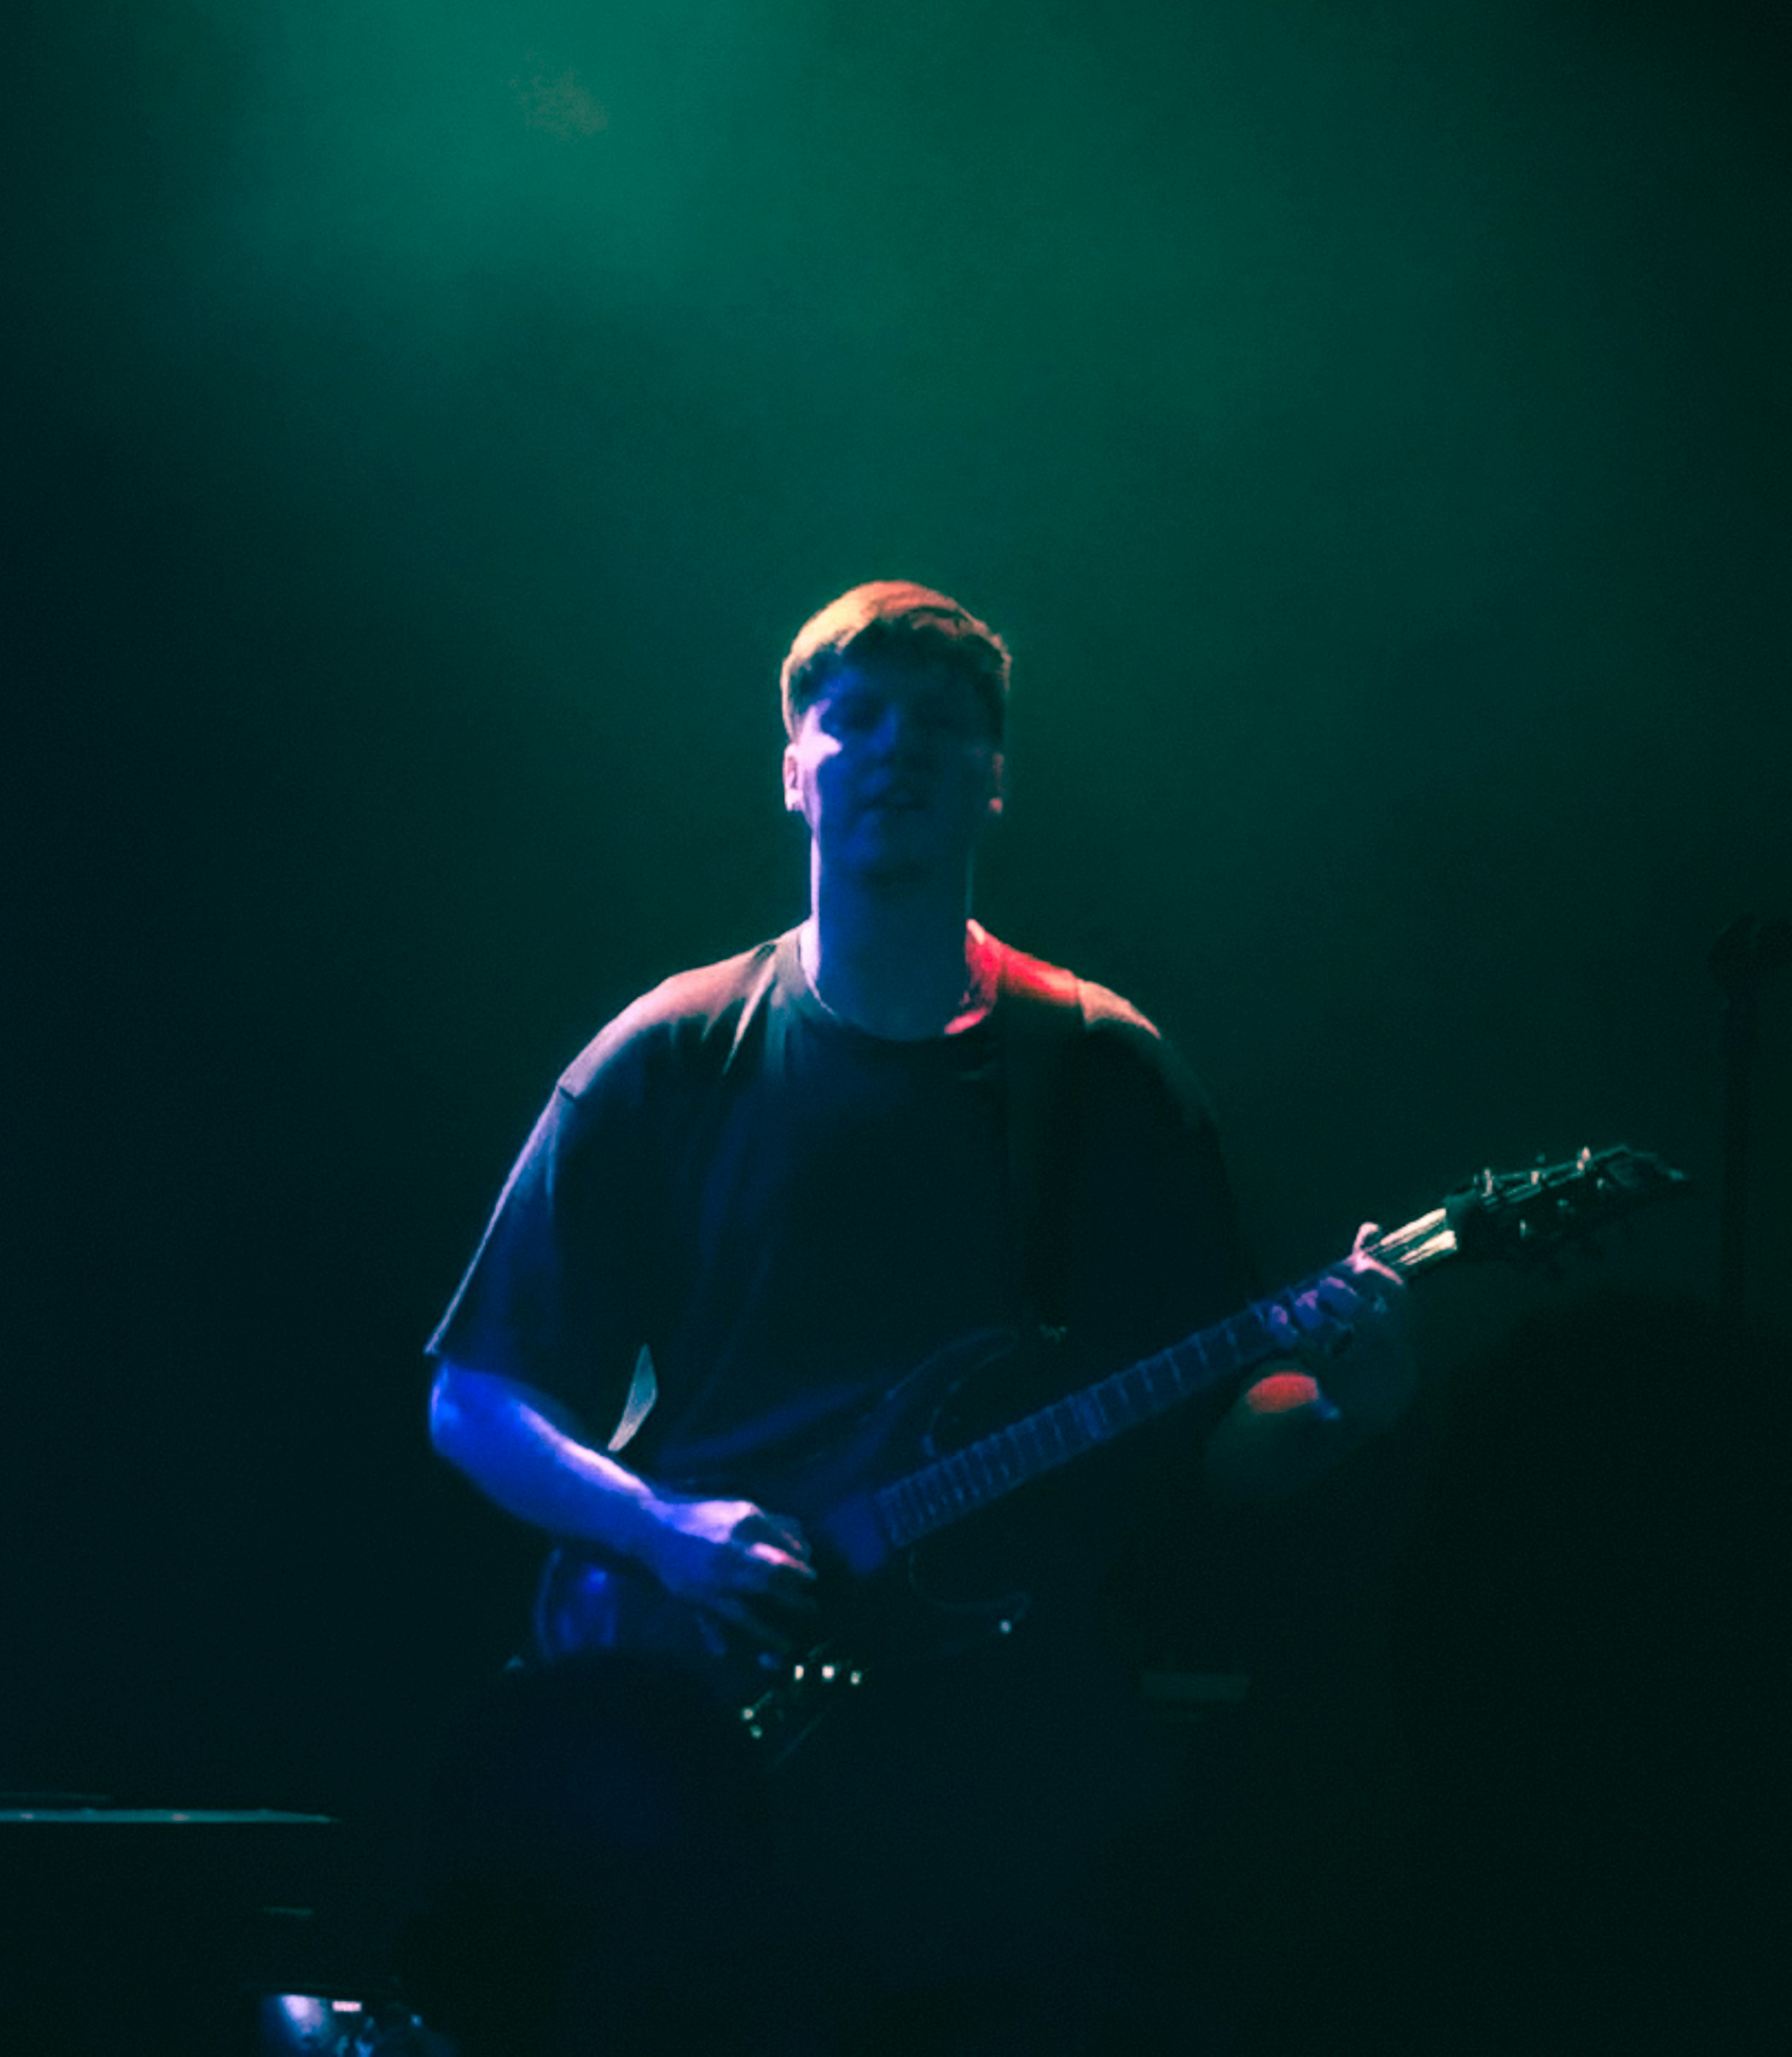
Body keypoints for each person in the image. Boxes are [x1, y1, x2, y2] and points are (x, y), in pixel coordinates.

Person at [423, 583, 1414, 2051]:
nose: (900, 748)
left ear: (994, 776)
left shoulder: (1098, 1069)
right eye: (856, 716)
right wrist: (655, 1531)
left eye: (945, 723)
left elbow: (1219, 1432)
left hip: (1002, 1789)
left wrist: (1349, 1401)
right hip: (701, 1767)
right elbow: (476, 1398)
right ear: (792, 766)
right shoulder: (676, 1050)